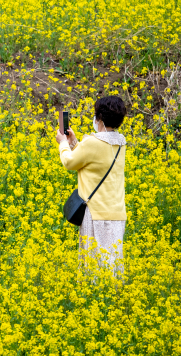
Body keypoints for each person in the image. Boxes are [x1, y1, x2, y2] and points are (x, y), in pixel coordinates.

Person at [55, 96, 127, 278]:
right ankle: (113, 300)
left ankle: (96, 299)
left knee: (94, 266)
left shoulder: (93, 142)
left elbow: (70, 162)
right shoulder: (120, 142)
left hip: (96, 214)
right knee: (112, 264)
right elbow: (94, 162)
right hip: (117, 214)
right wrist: (74, 144)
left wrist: (63, 143)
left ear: (100, 118)